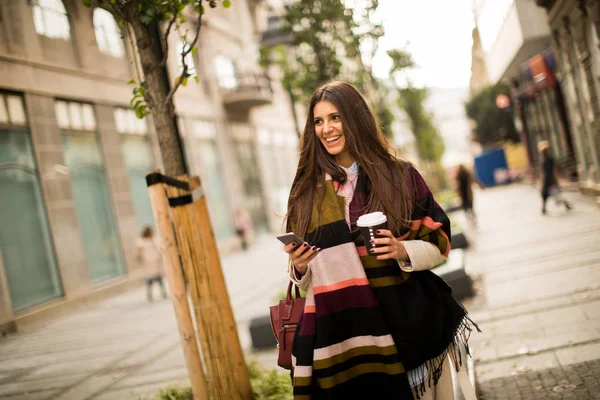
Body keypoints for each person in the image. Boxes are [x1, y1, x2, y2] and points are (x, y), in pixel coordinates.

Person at [282, 81, 479, 400]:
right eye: (318, 121)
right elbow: (307, 280)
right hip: (347, 338)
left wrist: (403, 249)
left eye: (335, 118)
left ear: (354, 118)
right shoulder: (307, 194)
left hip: (406, 324)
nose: (327, 129)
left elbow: (439, 240)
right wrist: (300, 267)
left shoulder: (399, 176)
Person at [538, 140, 571, 215]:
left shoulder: (550, 159)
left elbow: (553, 170)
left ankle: (566, 205)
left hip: (550, 179)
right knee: (546, 195)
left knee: (556, 194)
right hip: (546, 179)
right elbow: (542, 171)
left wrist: (554, 181)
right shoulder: (542, 159)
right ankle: (544, 209)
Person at [136, 226, 167, 302]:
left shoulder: (154, 239)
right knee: (150, 280)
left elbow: (159, 249)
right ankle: (150, 294)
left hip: (155, 262)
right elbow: (139, 253)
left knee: (159, 279)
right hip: (148, 263)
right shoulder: (141, 242)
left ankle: (163, 293)